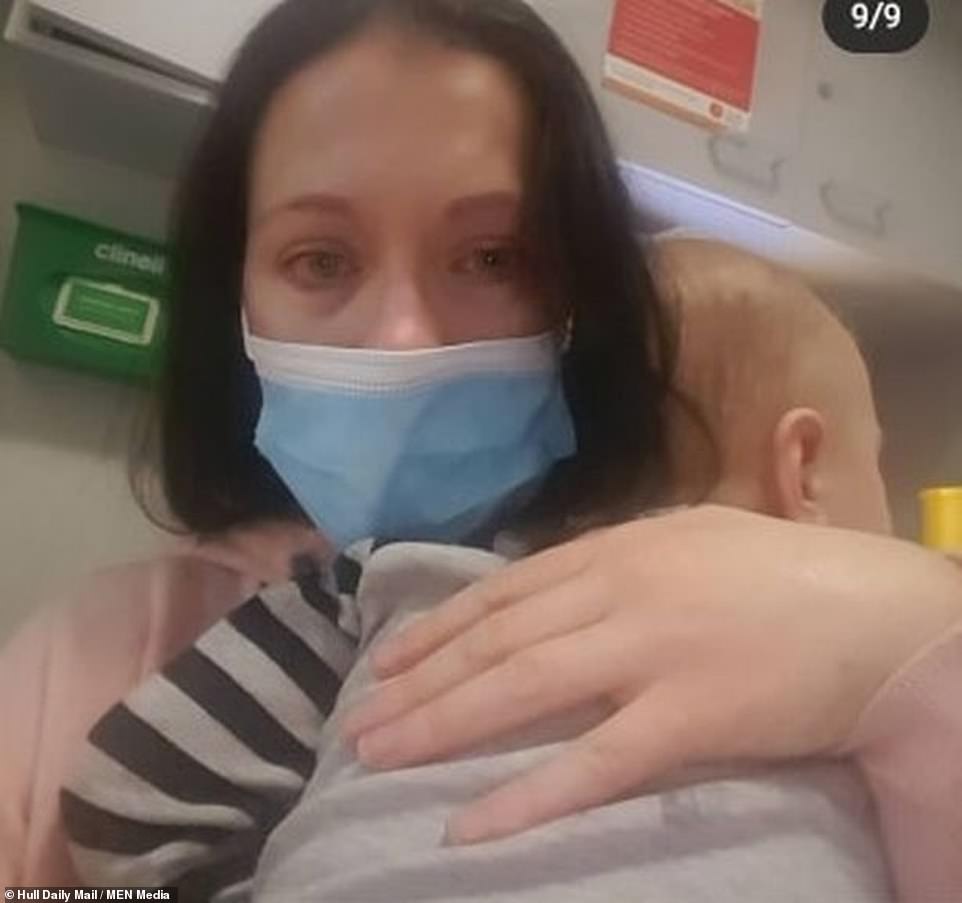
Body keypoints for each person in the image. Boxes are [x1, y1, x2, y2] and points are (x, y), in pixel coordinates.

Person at [0, 0, 959, 898]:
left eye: (493, 258)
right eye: (320, 260)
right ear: (236, 299)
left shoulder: (812, 630)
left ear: (581, 301)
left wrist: (916, 631)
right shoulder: (94, 656)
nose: (404, 338)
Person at [63, 238, 899, 903]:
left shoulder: (405, 578)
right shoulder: (869, 666)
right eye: (878, 464)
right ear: (804, 469)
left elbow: (123, 795)